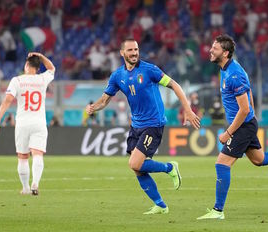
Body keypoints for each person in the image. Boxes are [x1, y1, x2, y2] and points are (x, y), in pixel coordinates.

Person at [86, 38, 200, 215]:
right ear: (122, 53)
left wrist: (188, 110)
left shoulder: (149, 70)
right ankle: (161, 205)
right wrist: (93, 108)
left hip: (153, 124)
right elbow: (105, 99)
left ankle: (170, 168)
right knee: (137, 169)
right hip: (136, 125)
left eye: (136, 50)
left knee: (135, 163)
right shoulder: (117, 76)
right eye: (130, 50)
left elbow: (175, 85)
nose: (134, 53)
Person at [197, 35, 268, 220]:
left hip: (242, 125)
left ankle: (218, 211)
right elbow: (249, 96)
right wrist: (250, 115)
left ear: (225, 53)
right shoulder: (226, 69)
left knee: (221, 163)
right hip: (246, 122)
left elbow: (244, 109)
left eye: (214, 48)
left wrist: (228, 132)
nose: (210, 50)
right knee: (259, 159)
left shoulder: (234, 74)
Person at [0, 52, 55, 196]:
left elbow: (7, 100)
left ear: (26, 65)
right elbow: (52, 68)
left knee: (22, 157)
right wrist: (40, 55)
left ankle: (26, 187)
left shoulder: (17, 80)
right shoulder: (42, 79)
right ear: (38, 68)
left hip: (22, 123)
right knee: (38, 154)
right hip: (39, 123)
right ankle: (36, 183)